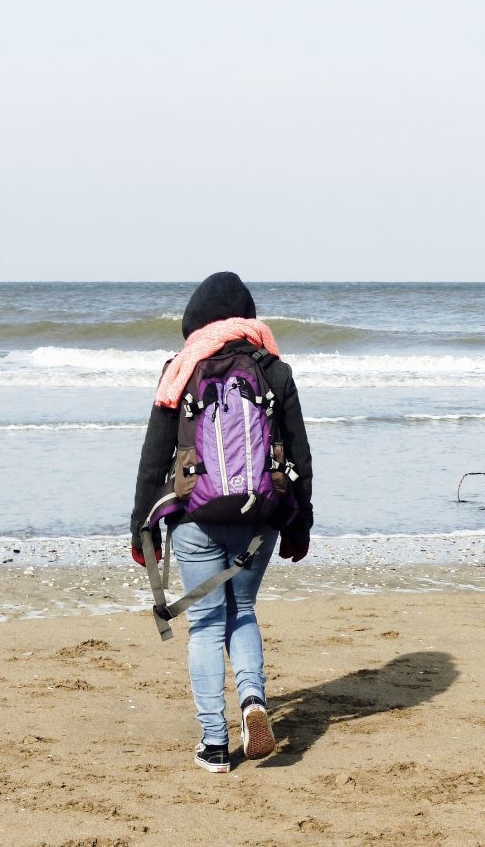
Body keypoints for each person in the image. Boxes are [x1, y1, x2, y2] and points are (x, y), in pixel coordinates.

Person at [130, 272, 313, 773]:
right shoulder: (273, 368)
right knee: (245, 612)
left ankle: (214, 744)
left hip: (195, 518)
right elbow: (299, 455)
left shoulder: (180, 368)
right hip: (262, 517)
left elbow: (154, 458)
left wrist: (140, 530)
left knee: (206, 625)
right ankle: (253, 701)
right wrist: (301, 525)